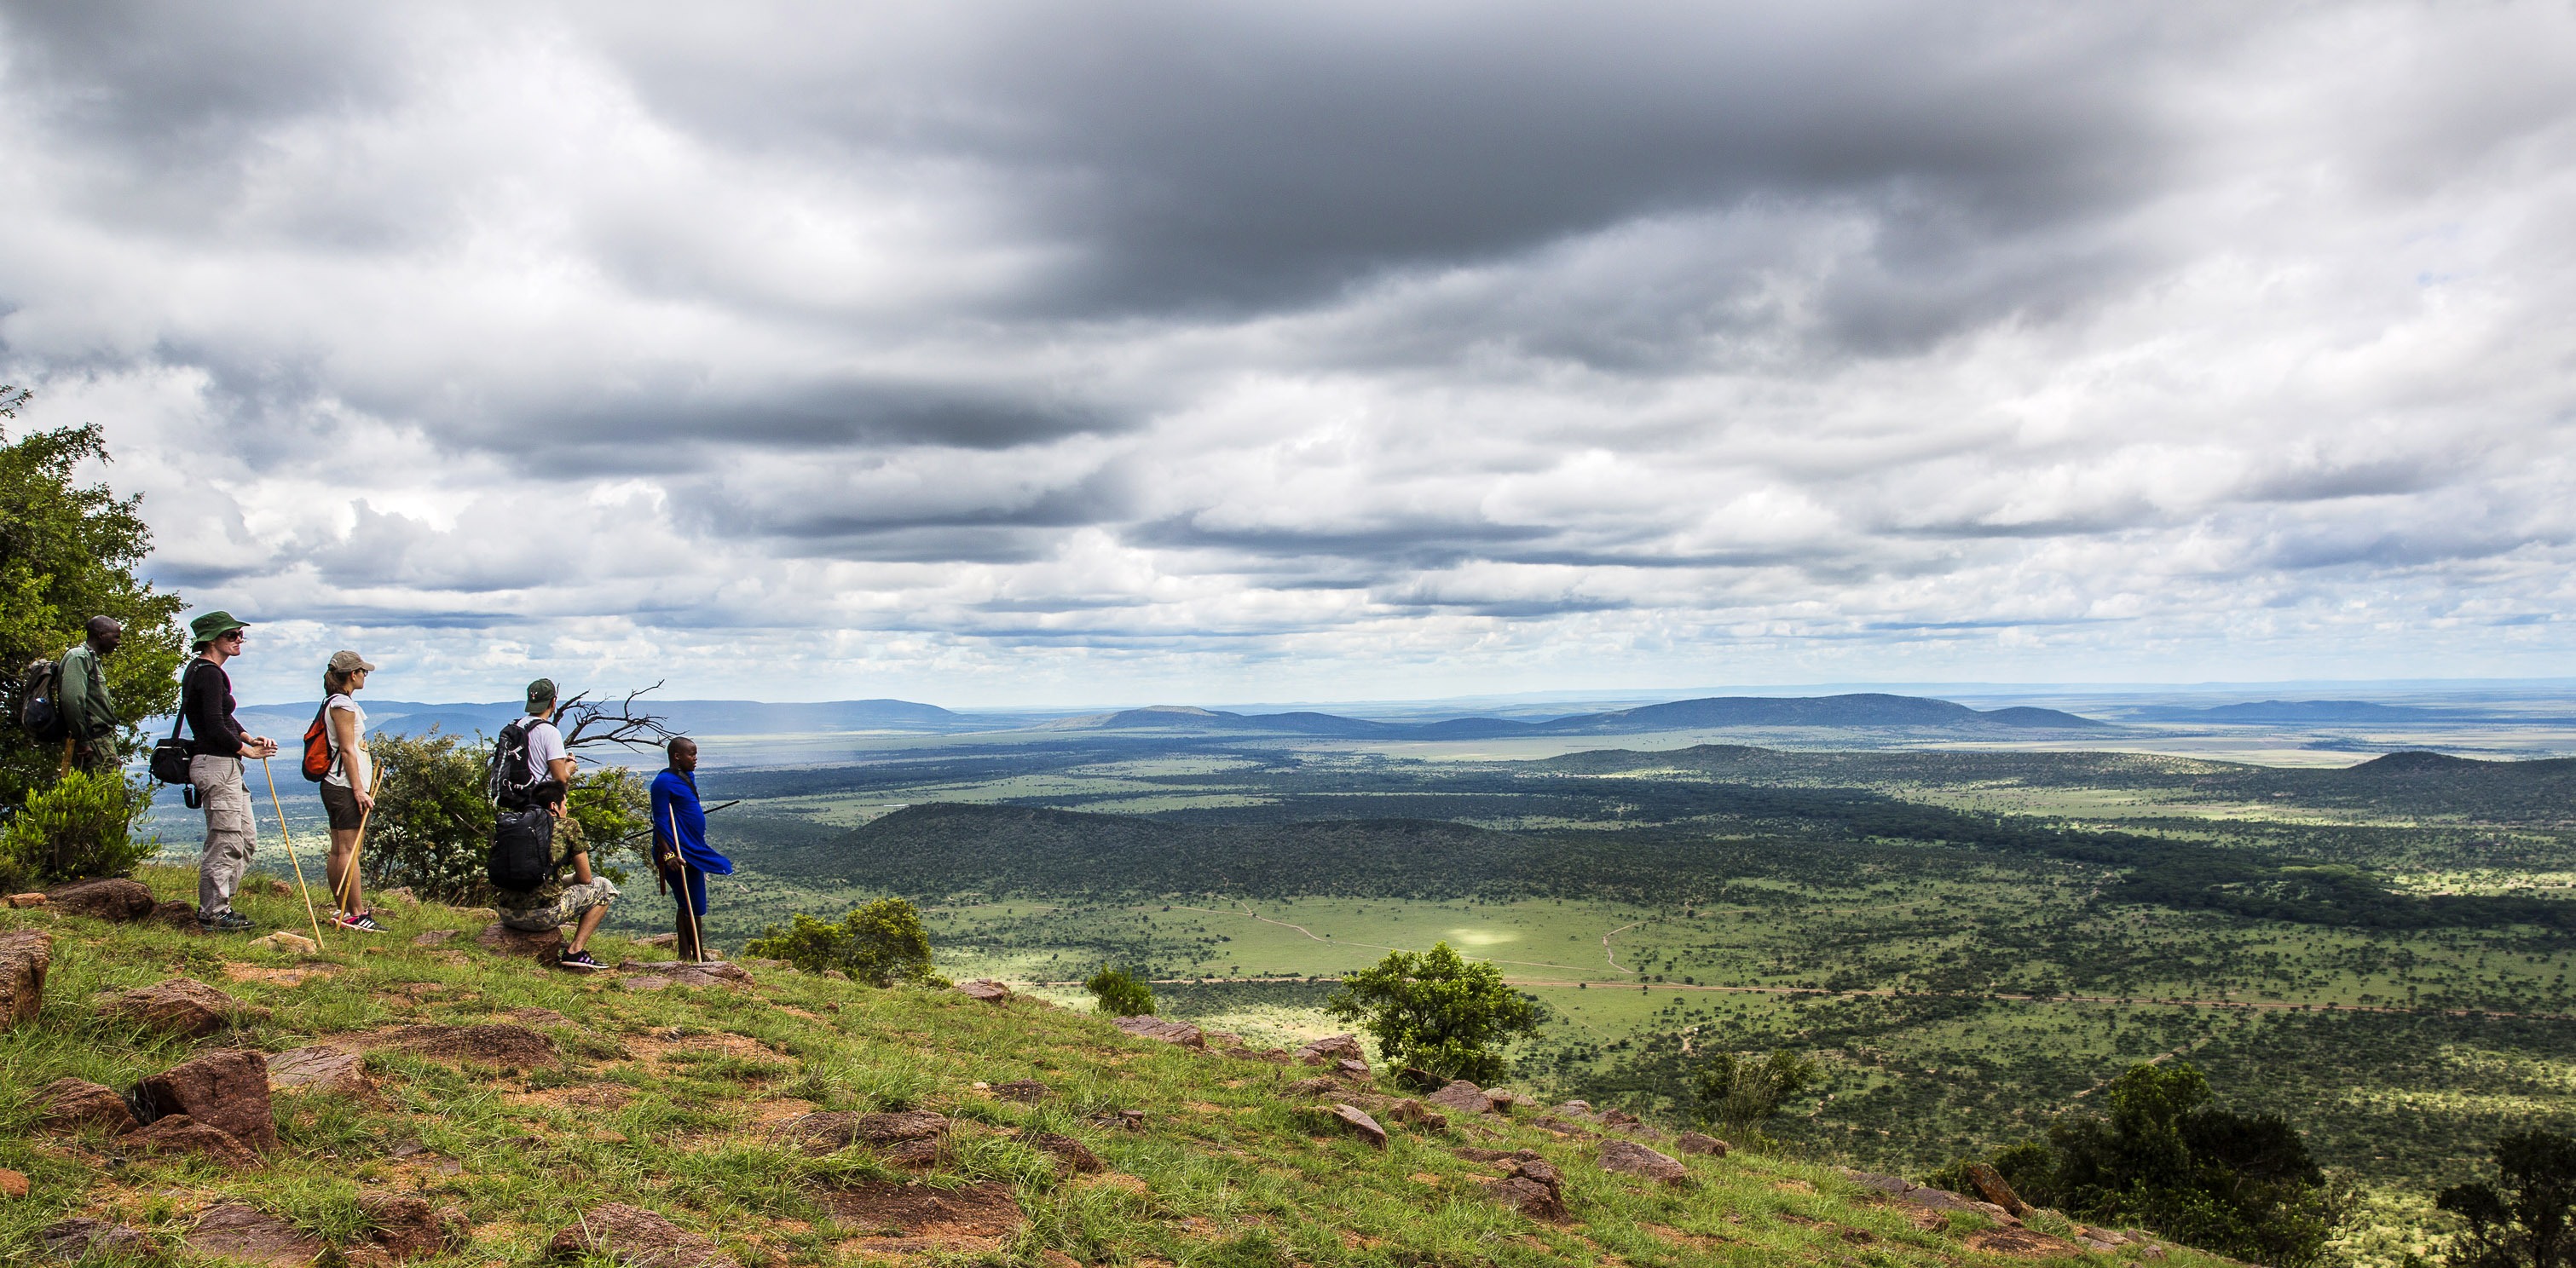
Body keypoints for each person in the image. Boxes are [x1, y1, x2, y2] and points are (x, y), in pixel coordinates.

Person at [490, 678, 615, 971]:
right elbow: (560, 777)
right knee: (600, 886)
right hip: (542, 808)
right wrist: (569, 766)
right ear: (553, 702)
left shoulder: (515, 728)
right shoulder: (548, 732)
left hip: (518, 810)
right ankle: (575, 950)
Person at [182, 611, 277, 932]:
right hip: (217, 764)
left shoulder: (206, 672)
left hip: (224, 765)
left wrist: (248, 736)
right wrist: (247, 751)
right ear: (211, 640)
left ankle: (222, 906)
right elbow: (212, 725)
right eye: (231, 635)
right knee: (225, 840)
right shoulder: (208, 673)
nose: (239, 640)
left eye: (239, 635)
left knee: (245, 838)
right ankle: (213, 912)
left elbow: (222, 717)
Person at [650, 737, 734, 962]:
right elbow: (659, 822)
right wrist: (668, 855)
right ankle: (697, 954)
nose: (696, 758)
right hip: (677, 850)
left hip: (693, 848)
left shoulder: (687, 776)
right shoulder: (662, 783)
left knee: (688, 902)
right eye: (692, 754)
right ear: (677, 756)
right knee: (690, 901)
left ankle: (688, 953)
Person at [318, 650, 381, 932]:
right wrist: (359, 789)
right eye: (363, 672)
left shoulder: (334, 701)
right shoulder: (343, 705)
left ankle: (345, 908)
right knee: (348, 849)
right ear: (352, 675)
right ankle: (355, 913)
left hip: (337, 784)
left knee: (340, 849)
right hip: (343, 785)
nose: (365, 676)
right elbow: (346, 749)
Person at [57, 616, 123, 774]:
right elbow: (72, 700)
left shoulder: (91, 658)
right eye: (116, 637)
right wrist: (83, 740)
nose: (118, 642)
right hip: (93, 744)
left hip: (100, 742)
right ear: (101, 635)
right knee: (114, 796)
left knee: (108, 796)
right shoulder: (79, 657)